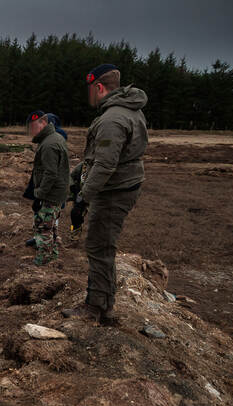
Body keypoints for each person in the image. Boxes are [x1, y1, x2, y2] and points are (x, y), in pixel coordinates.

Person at [63, 64, 148, 323]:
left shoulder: (112, 119)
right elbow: (101, 157)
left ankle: (95, 308)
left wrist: (82, 199)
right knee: (103, 245)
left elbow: (105, 165)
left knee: (99, 246)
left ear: (98, 87)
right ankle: (105, 304)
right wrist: (76, 175)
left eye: (90, 89)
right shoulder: (128, 110)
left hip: (114, 191)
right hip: (122, 185)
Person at [27, 111, 70, 265]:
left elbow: (50, 173)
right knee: (51, 227)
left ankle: (43, 260)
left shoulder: (49, 144)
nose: (32, 130)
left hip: (50, 195)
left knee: (43, 228)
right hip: (56, 193)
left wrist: (39, 194)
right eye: (30, 127)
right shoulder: (53, 138)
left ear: (43, 123)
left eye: (34, 125)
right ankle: (52, 256)